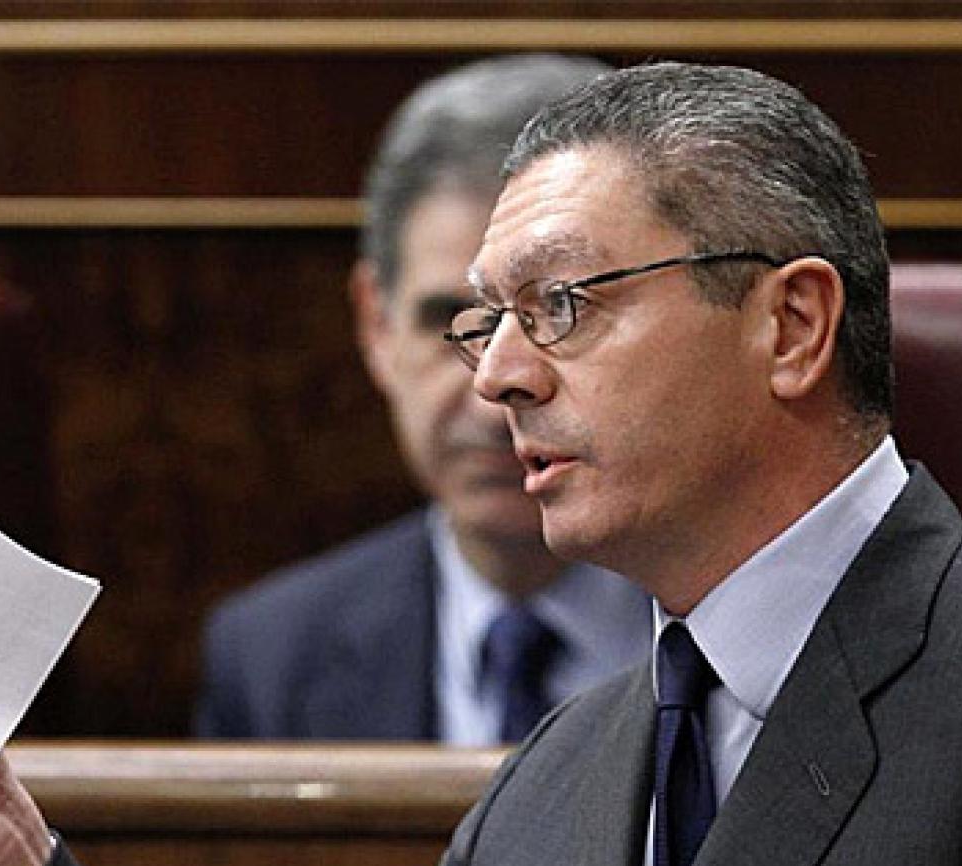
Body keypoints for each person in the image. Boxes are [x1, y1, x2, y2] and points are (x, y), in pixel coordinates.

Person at [0, 62, 962, 866]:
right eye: (478, 321)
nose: (495, 375)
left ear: (789, 326)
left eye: (559, 304)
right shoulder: (562, 772)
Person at [195, 54, 652, 745]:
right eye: (450, 323)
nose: (493, 398)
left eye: (556, 315)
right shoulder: (268, 658)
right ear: (375, 326)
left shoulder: (752, 635)